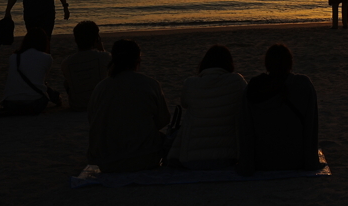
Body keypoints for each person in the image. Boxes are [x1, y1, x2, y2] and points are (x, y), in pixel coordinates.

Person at [88, 39, 171, 173]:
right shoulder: (150, 84)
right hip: (145, 159)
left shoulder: (100, 88)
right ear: (137, 60)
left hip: (107, 161)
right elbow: (163, 120)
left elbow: (92, 120)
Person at [237, 44, 320, 174]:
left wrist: (247, 166)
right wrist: (311, 163)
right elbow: (311, 127)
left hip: (262, 162)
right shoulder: (303, 85)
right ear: (290, 63)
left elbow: (246, 129)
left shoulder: (253, 88)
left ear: (267, 64)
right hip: (295, 160)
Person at [168, 45, 247, 169]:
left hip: (191, 158)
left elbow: (185, 103)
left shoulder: (190, 83)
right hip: (226, 157)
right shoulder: (236, 81)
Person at [0, 27, 54, 116]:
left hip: (10, 103)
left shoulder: (14, 57)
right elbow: (41, 81)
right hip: (35, 103)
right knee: (44, 89)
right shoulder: (47, 58)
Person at [62, 21, 111, 111]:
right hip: (99, 103)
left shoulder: (66, 62)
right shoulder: (104, 56)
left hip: (77, 105)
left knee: (66, 82)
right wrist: (101, 49)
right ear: (97, 39)